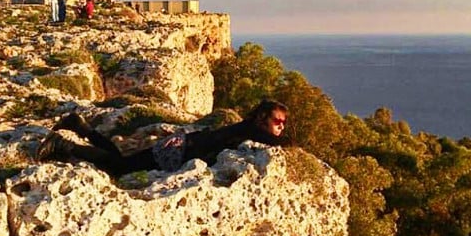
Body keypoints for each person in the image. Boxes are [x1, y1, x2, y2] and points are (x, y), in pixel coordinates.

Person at [36, 100, 290, 176]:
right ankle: (63, 145)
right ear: (262, 118)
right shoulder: (251, 130)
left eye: (283, 124)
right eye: (277, 121)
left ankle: (79, 126)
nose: (281, 127)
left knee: (121, 159)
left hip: (180, 146)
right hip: (178, 152)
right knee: (119, 167)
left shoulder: (246, 127)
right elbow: (279, 145)